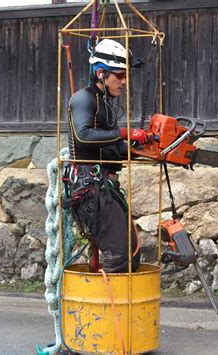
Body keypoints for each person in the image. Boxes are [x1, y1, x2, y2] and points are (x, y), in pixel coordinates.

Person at [64, 39, 147, 273]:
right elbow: (84, 136)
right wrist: (124, 132)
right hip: (89, 187)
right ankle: (107, 307)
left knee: (130, 250)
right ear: (101, 73)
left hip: (102, 186)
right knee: (120, 255)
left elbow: (108, 147)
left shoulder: (106, 104)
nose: (124, 82)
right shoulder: (83, 98)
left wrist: (138, 147)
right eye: (119, 76)